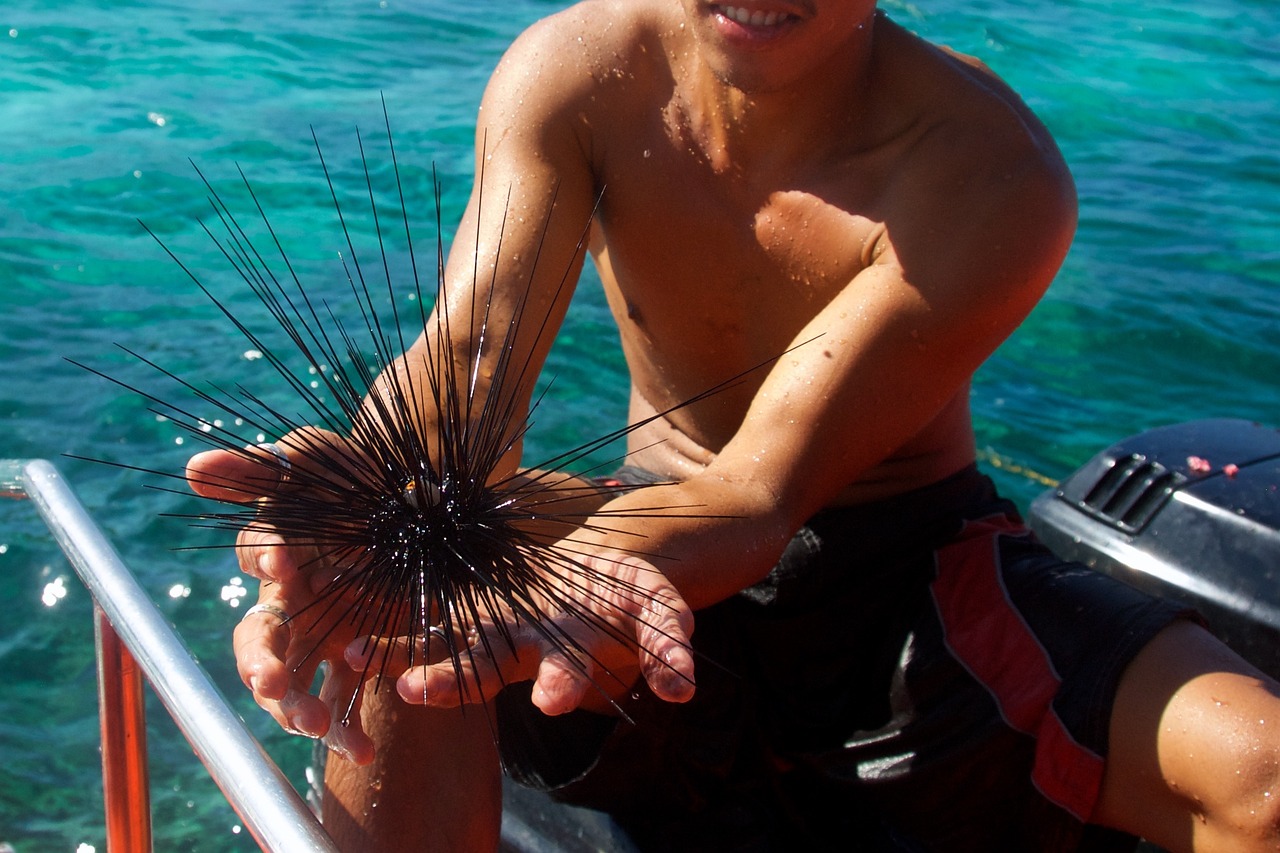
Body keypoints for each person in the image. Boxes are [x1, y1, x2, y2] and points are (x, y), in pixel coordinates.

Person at [188, 1, 1280, 850]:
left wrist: (590, 570)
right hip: (637, 531)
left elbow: (758, 495)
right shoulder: (577, 74)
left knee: (1258, 776)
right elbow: (462, 371)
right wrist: (350, 503)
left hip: (900, 571)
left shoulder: (986, 170)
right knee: (406, 564)